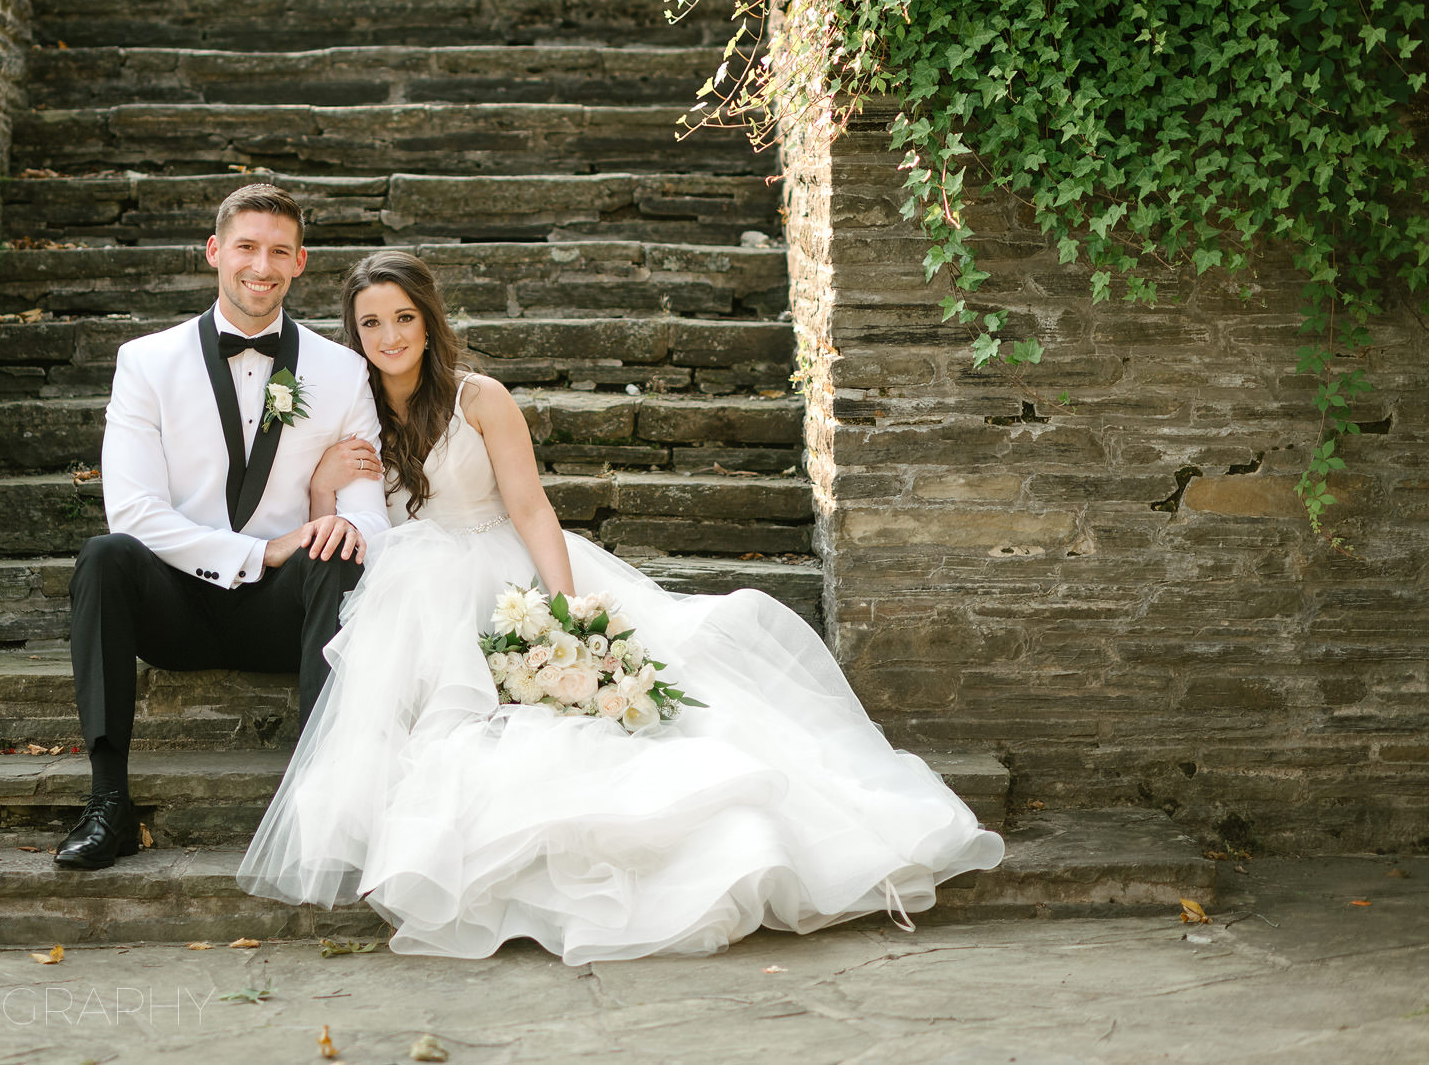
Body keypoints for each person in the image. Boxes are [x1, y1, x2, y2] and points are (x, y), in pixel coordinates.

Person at [238, 249, 1005, 963]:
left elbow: (532, 509)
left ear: (429, 319)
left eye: (403, 317)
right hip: (411, 585)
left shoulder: (480, 398)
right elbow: (344, 515)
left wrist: (569, 611)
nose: (389, 335)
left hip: (500, 568)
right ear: (354, 331)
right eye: (371, 322)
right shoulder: (352, 407)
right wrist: (320, 482)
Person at [54, 185, 389, 870]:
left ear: (300, 262)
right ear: (215, 251)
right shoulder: (146, 362)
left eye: (277, 251)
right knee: (105, 555)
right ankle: (108, 800)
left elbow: (370, 518)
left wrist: (327, 505)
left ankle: (318, 797)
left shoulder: (344, 370)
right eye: (245, 246)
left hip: (285, 615)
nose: (260, 265)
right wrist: (260, 549)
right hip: (176, 603)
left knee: (341, 548)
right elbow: (135, 511)